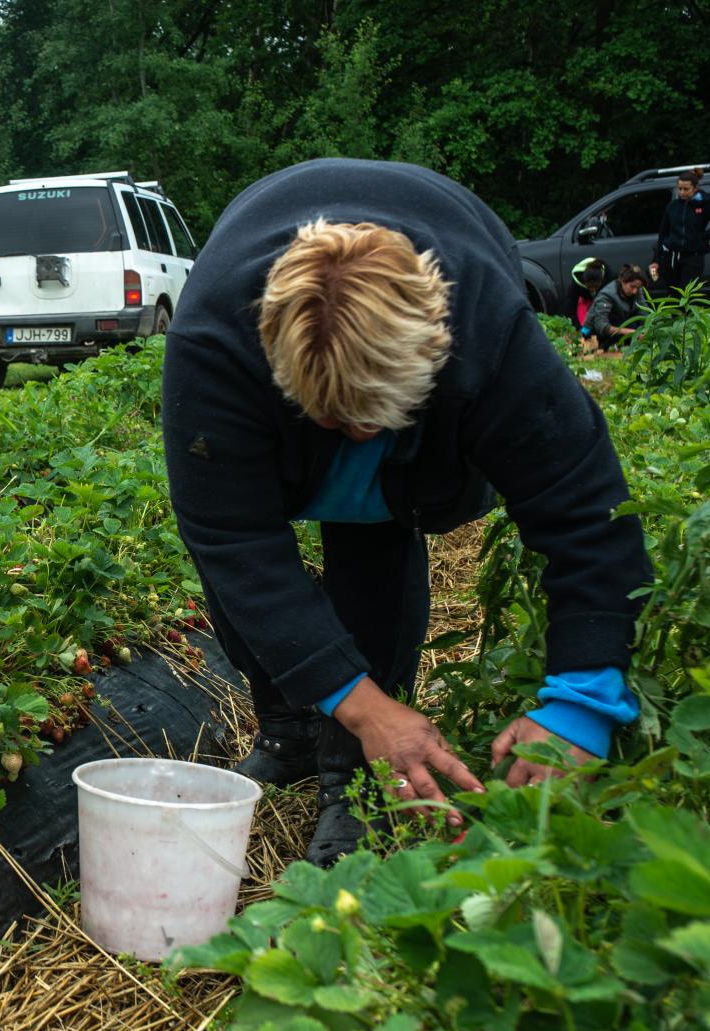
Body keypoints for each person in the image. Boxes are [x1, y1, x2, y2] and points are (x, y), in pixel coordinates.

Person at [162, 159, 652, 867]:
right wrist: (355, 700)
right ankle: (291, 728)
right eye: (335, 418)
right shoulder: (214, 343)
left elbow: (586, 513)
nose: (357, 435)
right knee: (244, 592)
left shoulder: (488, 331)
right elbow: (233, 539)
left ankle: (356, 779)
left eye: (373, 417)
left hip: (430, 390)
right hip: (271, 398)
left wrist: (582, 701)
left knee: (373, 552)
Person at [649, 168, 710, 293]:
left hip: (693, 257)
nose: (682, 192)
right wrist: (656, 260)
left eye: (686, 189)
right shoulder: (672, 206)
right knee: (672, 294)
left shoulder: (705, 204)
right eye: (679, 188)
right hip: (671, 257)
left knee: (687, 294)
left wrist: (703, 236)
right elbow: (663, 233)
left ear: (695, 188)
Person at [584, 264, 649, 351]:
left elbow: (643, 312)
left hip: (620, 323)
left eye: (638, 288)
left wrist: (647, 328)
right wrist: (632, 332)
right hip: (597, 332)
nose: (635, 291)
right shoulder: (607, 295)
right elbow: (601, 326)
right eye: (632, 286)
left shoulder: (637, 289)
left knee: (636, 326)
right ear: (623, 281)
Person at [569, 257, 607, 331]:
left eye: (595, 287)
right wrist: (577, 326)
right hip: (584, 298)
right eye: (589, 287)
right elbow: (571, 306)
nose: (592, 290)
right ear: (584, 282)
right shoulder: (576, 284)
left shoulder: (607, 277)